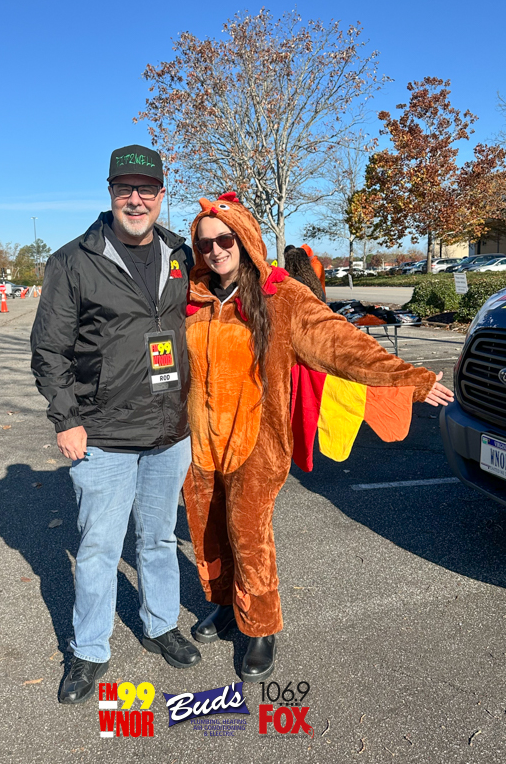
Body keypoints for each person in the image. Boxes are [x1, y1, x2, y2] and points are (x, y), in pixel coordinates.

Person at [182, 192, 454, 681]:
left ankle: (260, 626)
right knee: (208, 531)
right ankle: (223, 604)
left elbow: (343, 344)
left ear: (245, 240)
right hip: (199, 444)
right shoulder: (192, 300)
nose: (215, 251)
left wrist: (409, 378)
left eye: (225, 240)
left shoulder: (281, 297)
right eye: (205, 244)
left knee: (248, 535)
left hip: (254, 442)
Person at [30, 144, 199, 706]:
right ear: (109, 193)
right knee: (100, 545)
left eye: (146, 190)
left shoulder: (180, 253)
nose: (135, 199)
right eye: (125, 189)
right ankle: (89, 648)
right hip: (102, 432)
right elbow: (49, 351)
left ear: (161, 195)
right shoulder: (73, 261)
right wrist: (66, 419)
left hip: (170, 429)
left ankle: (160, 624)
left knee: (159, 537)